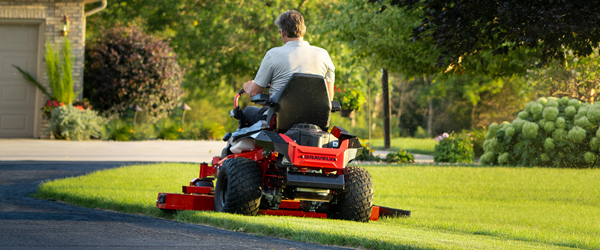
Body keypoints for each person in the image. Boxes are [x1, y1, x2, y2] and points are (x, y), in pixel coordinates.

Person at [241, 10, 335, 125]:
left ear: (282, 33)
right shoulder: (324, 55)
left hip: (280, 122)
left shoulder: (273, 54)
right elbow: (328, 99)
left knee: (248, 111)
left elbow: (255, 93)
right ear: (304, 30)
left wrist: (248, 88)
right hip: (316, 122)